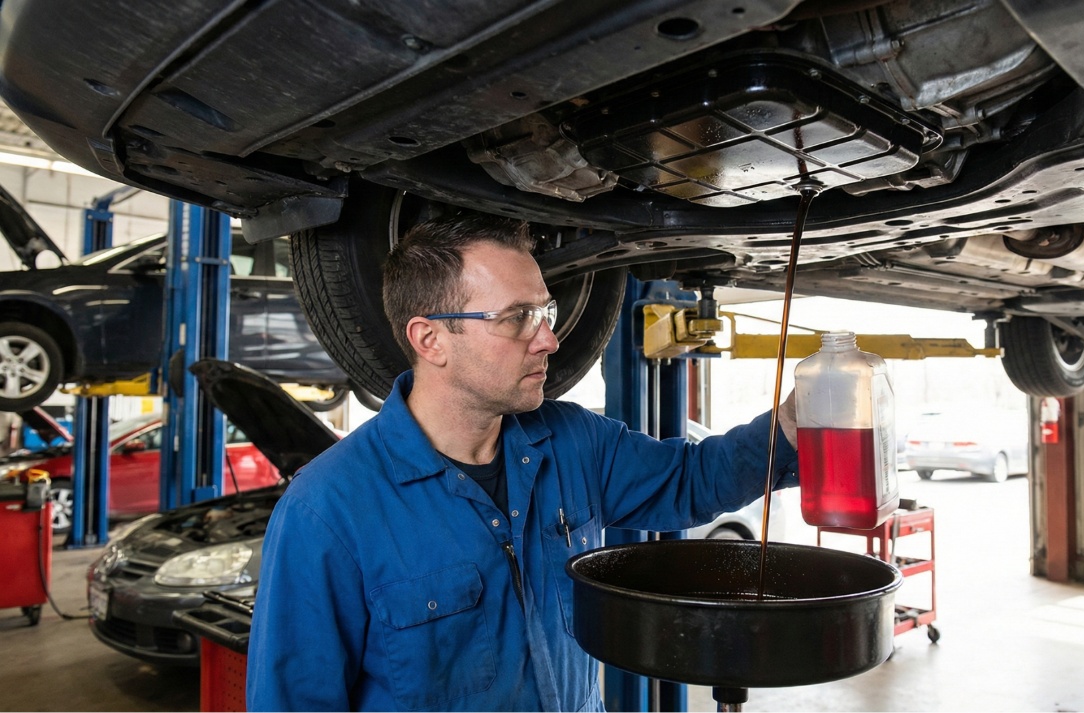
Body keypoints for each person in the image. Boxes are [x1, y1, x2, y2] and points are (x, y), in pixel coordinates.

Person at [245, 213, 800, 711]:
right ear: (431, 339)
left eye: (546, 312)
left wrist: (792, 426)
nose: (550, 340)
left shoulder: (573, 440)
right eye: (518, 318)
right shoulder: (327, 510)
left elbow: (693, 480)